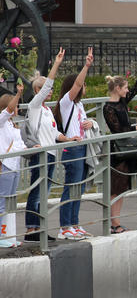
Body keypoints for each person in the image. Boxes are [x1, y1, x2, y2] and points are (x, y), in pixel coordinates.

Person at [23, 48, 80, 243]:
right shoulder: (35, 106)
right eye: (46, 89)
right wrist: (56, 64)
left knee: (44, 192)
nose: (51, 91)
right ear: (38, 91)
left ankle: (39, 226)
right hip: (41, 153)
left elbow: (54, 133)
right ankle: (32, 229)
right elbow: (48, 86)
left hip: (50, 153)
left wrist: (68, 139)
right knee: (37, 191)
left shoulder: (46, 110)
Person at [103, 47, 137, 233]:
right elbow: (119, 129)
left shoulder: (122, 102)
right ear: (117, 88)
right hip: (118, 151)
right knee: (115, 188)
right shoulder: (108, 107)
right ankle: (113, 222)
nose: (127, 90)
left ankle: (117, 221)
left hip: (126, 150)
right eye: (124, 87)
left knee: (122, 187)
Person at [53, 48, 94, 240]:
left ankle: (74, 223)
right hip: (73, 149)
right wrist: (86, 66)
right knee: (71, 187)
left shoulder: (79, 105)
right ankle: (65, 227)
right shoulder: (66, 102)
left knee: (79, 188)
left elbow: (85, 123)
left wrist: (91, 123)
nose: (84, 88)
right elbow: (77, 84)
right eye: (82, 86)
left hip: (83, 147)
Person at [0, 84, 27, 247]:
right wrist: (18, 93)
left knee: (10, 202)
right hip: (5, 165)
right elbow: (8, 110)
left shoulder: (12, 124)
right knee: (2, 201)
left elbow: (19, 144)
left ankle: (8, 235)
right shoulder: (1, 121)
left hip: (15, 165)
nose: (16, 108)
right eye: (15, 106)